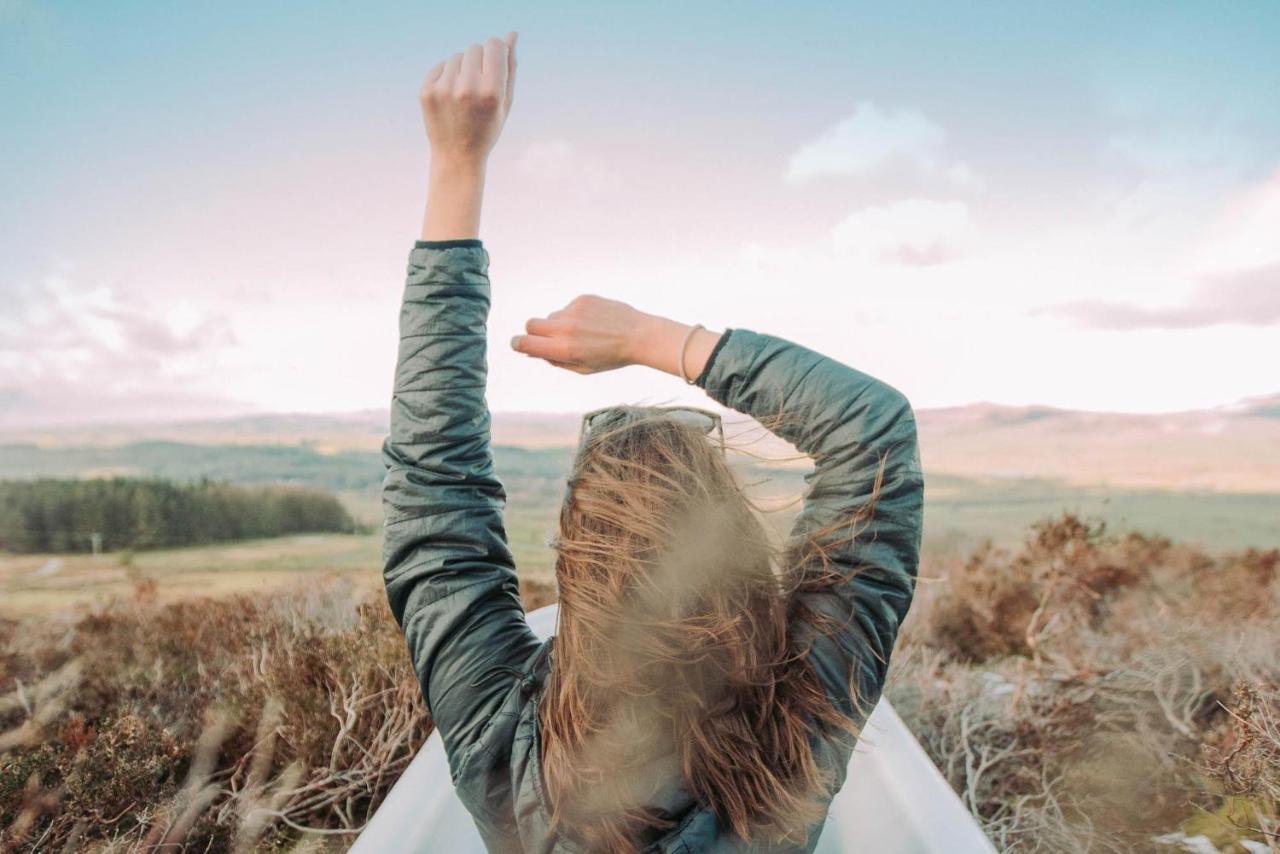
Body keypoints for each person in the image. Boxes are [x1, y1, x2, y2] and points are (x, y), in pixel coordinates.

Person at [382, 32, 925, 854]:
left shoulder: (504, 741)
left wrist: (457, 165)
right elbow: (872, 428)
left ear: (578, 564)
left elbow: (434, 485)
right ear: (734, 546)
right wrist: (646, 337)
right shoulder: (798, 723)